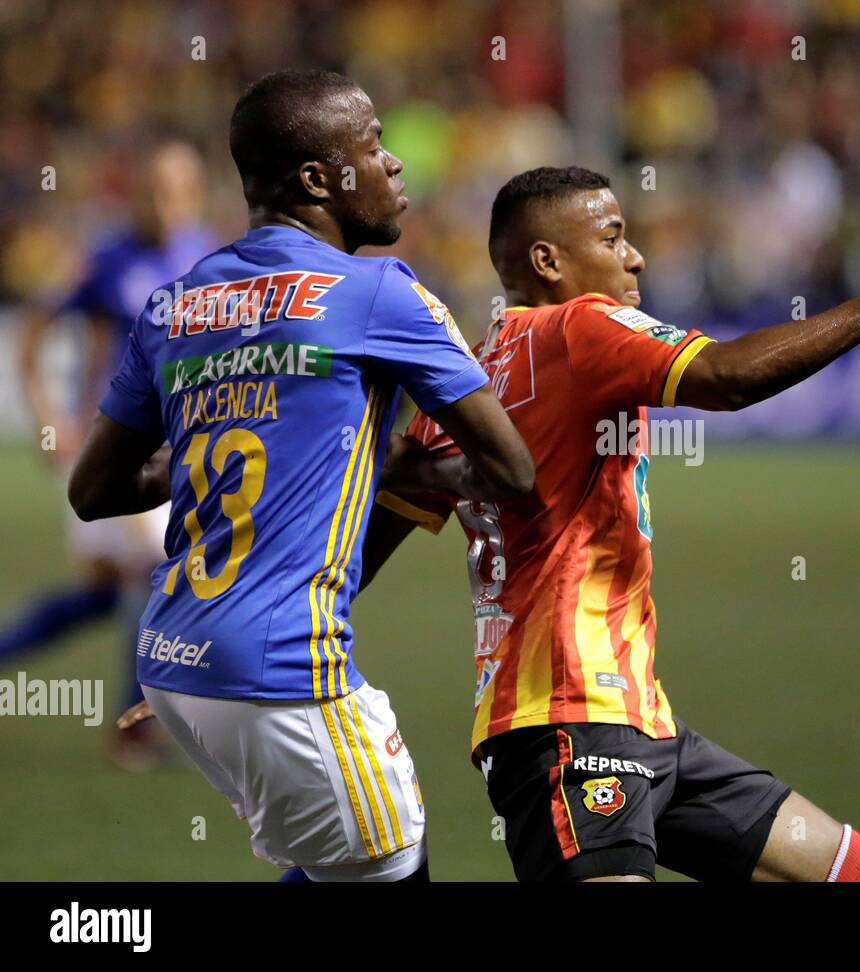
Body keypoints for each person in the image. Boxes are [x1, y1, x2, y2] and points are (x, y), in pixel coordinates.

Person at [361, 166, 860, 881]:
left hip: (632, 722)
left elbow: (357, 557)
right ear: (547, 262)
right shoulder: (580, 326)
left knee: (858, 874)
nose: (635, 256)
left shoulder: (472, 381)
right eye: (612, 236)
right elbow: (728, 378)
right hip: (572, 724)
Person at [70, 70, 533, 882]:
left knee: (340, 860)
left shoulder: (178, 302)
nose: (395, 165)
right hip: (286, 671)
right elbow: (509, 466)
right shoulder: (380, 294)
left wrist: (243, 435)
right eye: (374, 145)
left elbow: (94, 491)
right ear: (318, 179)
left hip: (173, 660)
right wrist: (406, 461)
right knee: (388, 863)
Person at [4, 141, 215, 770]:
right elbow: (34, 331)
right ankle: (137, 733)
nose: (163, 202)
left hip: (181, 449)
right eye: (153, 189)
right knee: (162, 574)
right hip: (116, 450)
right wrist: (52, 420)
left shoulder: (208, 257)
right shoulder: (104, 258)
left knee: (102, 597)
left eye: (176, 189)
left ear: (196, 193)